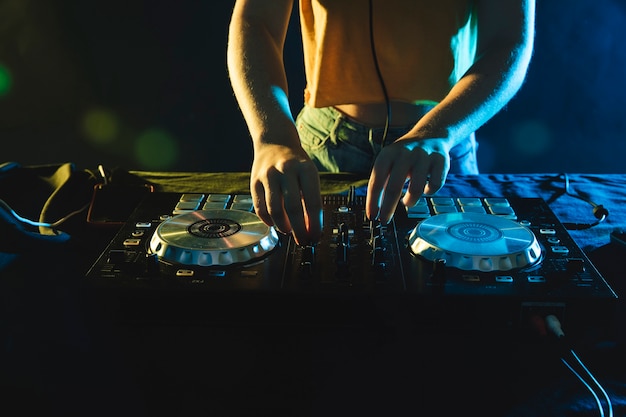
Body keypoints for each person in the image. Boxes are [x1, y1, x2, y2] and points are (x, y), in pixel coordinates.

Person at [227, 0, 535, 245]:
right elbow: (256, 23)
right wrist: (273, 138)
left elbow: (508, 42)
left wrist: (438, 131)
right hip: (323, 146)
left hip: (442, 149)